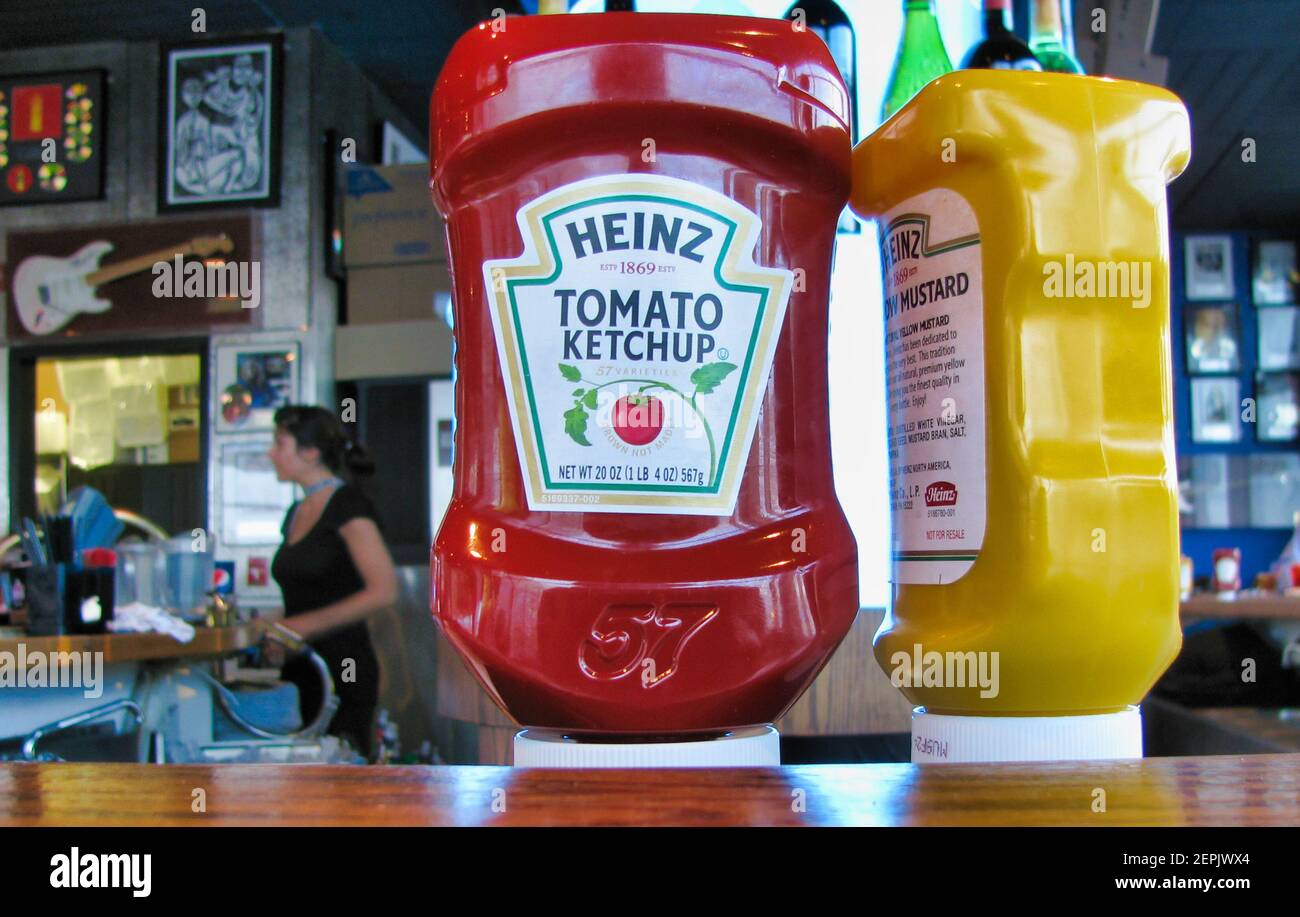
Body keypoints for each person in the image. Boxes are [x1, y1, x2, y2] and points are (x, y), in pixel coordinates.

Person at [265, 405, 396, 759]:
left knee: (341, 786)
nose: (270, 453)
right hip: (301, 670)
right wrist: (275, 628)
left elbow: (384, 590)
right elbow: (304, 594)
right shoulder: (294, 513)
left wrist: (302, 626)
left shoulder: (347, 505)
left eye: (280, 444)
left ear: (310, 453)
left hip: (344, 669)